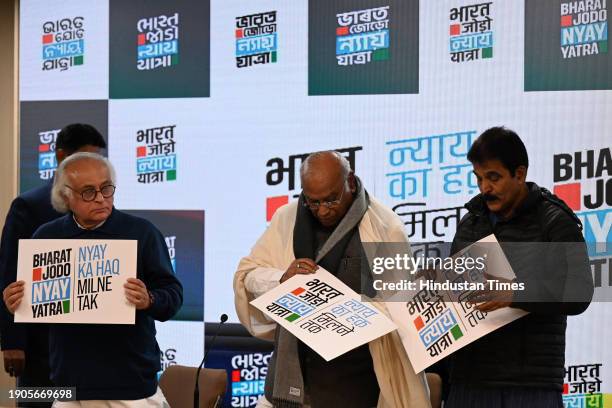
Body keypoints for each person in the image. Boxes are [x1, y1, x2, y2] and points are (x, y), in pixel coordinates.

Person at [234, 151, 431, 408]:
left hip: (352, 387)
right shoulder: (287, 217)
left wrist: (352, 311)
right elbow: (247, 274)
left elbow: (403, 306)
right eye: (313, 202)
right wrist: (281, 279)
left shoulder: (385, 227)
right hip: (285, 383)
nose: (323, 211)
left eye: (331, 200)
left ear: (350, 181)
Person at [3, 152, 183, 406]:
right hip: (69, 385)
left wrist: (149, 299)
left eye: (106, 188)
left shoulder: (142, 233)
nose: (100, 198)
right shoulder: (47, 238)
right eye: (88, 191)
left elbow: (173, 296)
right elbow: (37, 308)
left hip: (130, 385)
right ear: (66, 196)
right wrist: (18, 304)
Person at [445, 127, 594, 408]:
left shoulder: (554, 221)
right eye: (478, 178)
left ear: (520, 174)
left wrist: (514, 293)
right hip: (468, 382)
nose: (484, 188)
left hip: (528, 386)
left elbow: (579, 292)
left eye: (494, 177)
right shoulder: (470, 222)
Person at [0, 123, 106, 406]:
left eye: (98, 160)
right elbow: (10, 274)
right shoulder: (29, 206)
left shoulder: (106, 209)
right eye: (84, 159)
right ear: (61, 156)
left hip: (93, 347)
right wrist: (12, 341)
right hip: (41, 347)